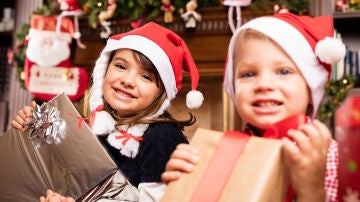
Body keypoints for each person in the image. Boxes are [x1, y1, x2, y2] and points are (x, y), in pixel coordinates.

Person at [161, 12, 345, 202]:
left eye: (283, 71)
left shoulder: (330, 157)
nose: (264, 84)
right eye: (249, 74)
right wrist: (182, 184)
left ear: (311, 85)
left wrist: (313, 190)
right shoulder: (219, 152)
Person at [11, 22, 204, 202]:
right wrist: (31, 126)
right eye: (121, 66)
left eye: (145, 76)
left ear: (160, 93)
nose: (128, 80)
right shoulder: (95, 128)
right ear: (104, 70)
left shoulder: (161, 136)